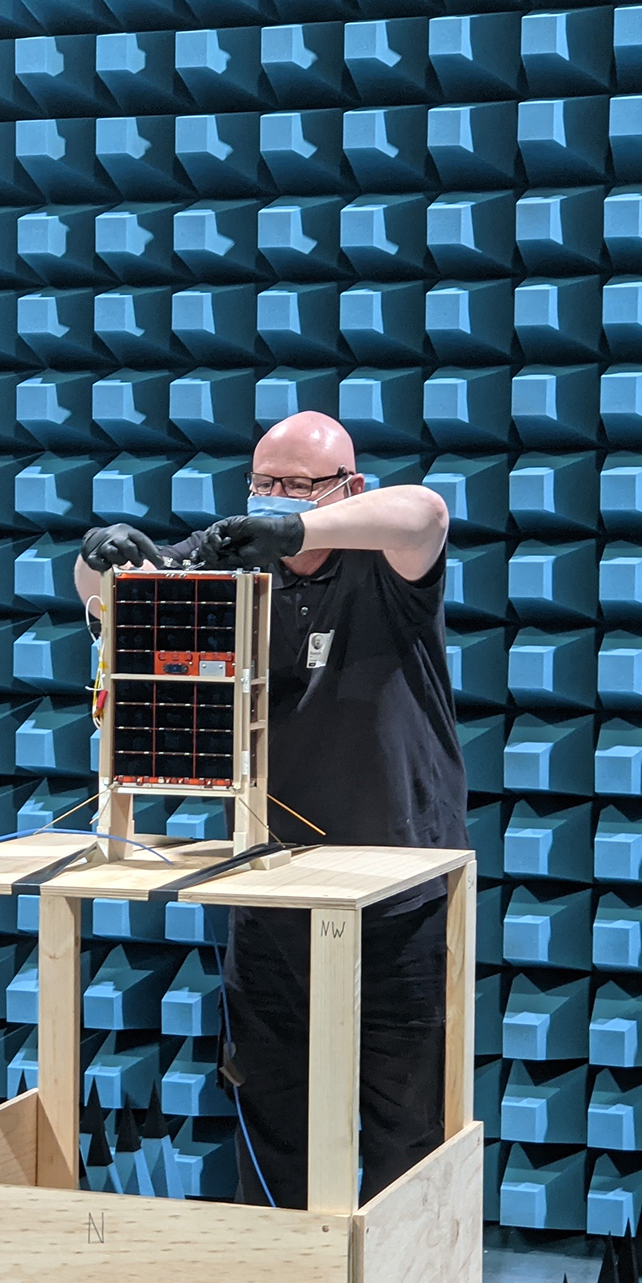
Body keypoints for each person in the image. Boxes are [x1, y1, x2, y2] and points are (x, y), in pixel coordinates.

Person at [73, 411, 469, 1208]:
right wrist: (96, 558)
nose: (273, 497)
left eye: (297, 484)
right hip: (271, 892)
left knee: (407, 1131)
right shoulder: (229, 562)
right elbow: (110, 596)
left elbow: (424, 512)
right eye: (264, 482)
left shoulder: (387, 569)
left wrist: (291, 527)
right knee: (273, 1120)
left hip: (400, 892)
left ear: (345, 489)